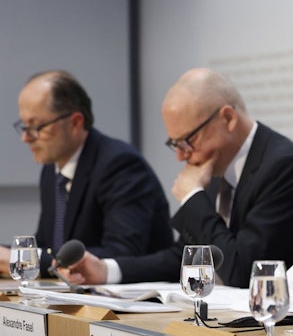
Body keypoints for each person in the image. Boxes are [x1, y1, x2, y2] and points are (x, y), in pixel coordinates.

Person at [60, 68, 293, 289]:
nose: (181, 156)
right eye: (175, 143)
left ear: (227, 118)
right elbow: (186, 258)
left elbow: (243, 271)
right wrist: (106, 270)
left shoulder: (283, 167)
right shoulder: (215, 163)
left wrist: (193, 198)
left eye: (187, 141)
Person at [2, 70, 172, 271]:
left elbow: (122, 253)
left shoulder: (120, 165)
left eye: (37, 126)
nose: (26, 138)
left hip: (134, 298)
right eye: (24, 126)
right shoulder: (51, 169)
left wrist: (22, 258)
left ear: (75, 122)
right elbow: (47, 246)